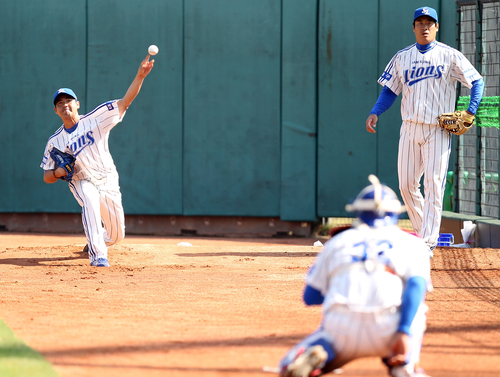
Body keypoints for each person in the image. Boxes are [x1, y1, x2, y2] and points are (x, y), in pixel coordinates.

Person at [278, 175, 432, 377]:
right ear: (396, 213)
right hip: (389, 330)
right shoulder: (412, 243)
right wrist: (402, 330)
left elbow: (310, 298)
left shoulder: (337, 242)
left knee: (296, 358)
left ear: (358, 212)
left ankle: (320, 354)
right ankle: (403, 365)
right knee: (419, 308)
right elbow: (416, 288)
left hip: (341, 330)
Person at [365, 6, 484, 256]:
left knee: (434, 184)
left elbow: (477, 80)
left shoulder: (450, 55)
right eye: (420, 22)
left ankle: (427, 242)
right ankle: (423, 234)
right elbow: (389, 90)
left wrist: (471, 110)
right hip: (409, 128)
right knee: (407, 185)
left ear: (437, 27)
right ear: (414, 27)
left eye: (430, 22)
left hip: (438, 129)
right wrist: (376, 111)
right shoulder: (402, 57)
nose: (425, 26)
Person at [40, 55, 155, 267]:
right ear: (55, 111)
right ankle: (98, 256)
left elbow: (125, 102)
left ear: (77, 104)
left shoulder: (95, 119)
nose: (64, 104)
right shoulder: (54, 142)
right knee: (90, 202)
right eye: (59, 103)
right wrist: (57, 173)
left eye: (68, 101)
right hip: (82, 180)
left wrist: (140, 76)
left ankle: (97, 239)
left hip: (108, 179)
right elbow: (47, 176)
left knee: (117, 235)